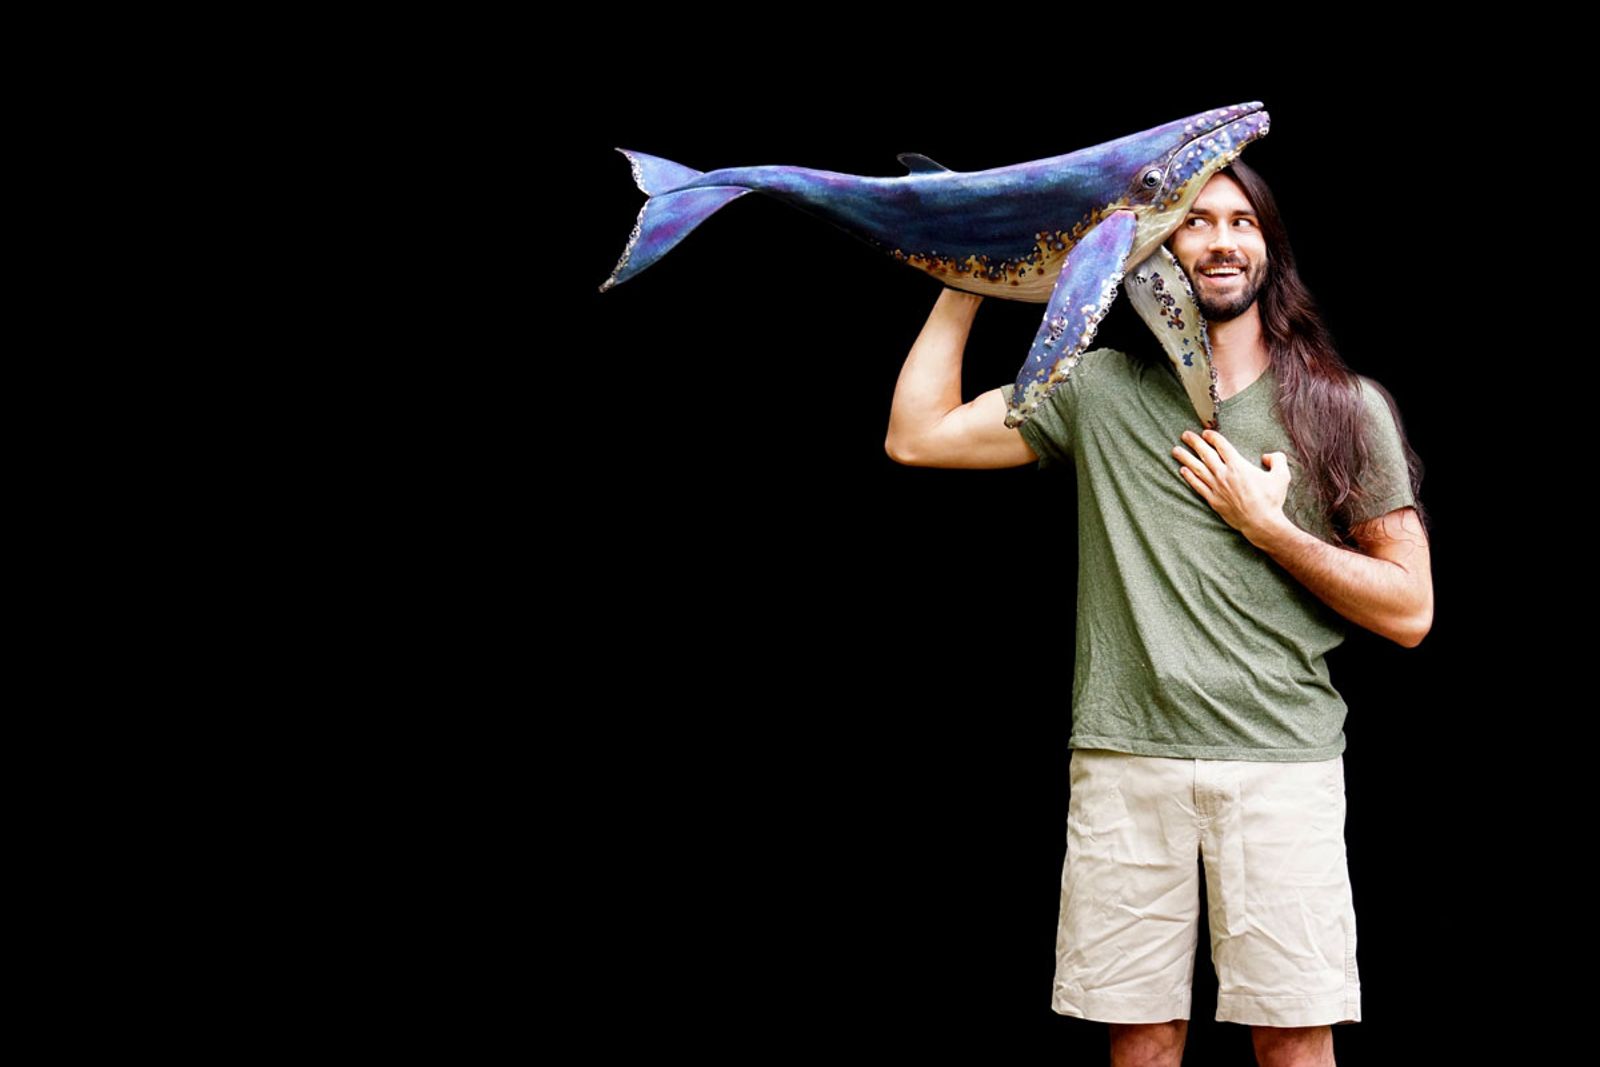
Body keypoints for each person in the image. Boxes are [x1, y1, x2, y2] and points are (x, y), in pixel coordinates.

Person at [882, 161, 1433, 1067]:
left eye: (1241, 223)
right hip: (1126, 759)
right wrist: (969, 273)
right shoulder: (1095, 391)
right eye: (1195, 222)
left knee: (1295, 1041)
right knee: (1141, 1042)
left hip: (1283, 765)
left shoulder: (1341, 406)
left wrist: (1271, 529)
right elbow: (916, 434)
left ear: (1269, 249)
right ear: (1157, 250)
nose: (1220, 240)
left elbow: (1411, 610)